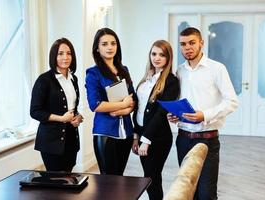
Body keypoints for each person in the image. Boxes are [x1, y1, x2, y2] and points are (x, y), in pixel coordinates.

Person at [168, 27, 238, 200]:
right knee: (187, 191)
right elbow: (179, 102)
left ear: (201, 43)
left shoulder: (217, 68)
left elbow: (232, 102)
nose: (187, 48)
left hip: (207, 140)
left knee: (206, 194)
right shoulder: (179, 71)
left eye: (192, 43)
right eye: (183, 44)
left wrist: (204, 115)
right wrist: (174, 116)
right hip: (183, 139)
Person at [132, 40, 180, 200]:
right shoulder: (147, 78)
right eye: (154, 54)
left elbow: (161, 113)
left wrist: (146, 140)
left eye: (162, 55)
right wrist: (135, 136)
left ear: (168, 58)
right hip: (141, 135)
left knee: (151, 178)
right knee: (150, 178)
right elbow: (139, 109)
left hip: (158, 138)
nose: (157, 58)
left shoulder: (171, 81)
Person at [85, 28, 136, 175]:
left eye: (113, 43)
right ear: (97, 48)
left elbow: (133, 98)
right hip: (105, 132)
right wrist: (123, 104)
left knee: (119, 177)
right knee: (107, 181)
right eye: (105, 44)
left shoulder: (123, 70)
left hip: (126, 132)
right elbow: (95, 105)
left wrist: (125, 110)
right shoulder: (93, 73)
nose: (110, 47)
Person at [30, 38, 83, 172]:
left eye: (69, 53)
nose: (65, 57)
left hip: (71, 138)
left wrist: (77, 116)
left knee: (68, 177)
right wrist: (61, 118)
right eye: (60, 53)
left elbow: (72, 107)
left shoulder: (73, 79)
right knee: (55, 181)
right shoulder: (44, 80)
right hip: (51, 141)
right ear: (54, 56)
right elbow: (35, 111)